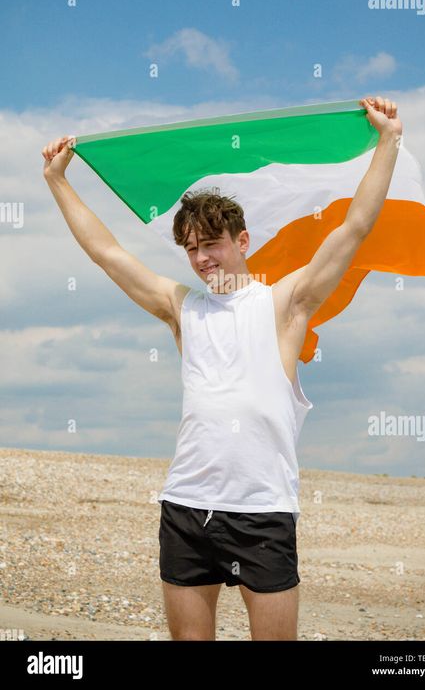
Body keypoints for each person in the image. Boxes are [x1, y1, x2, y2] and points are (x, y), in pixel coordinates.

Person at [42, 96, 401, 640]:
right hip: (186, 508)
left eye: (211, 244)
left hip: (262, 513)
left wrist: (388, 141)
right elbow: (108, 254)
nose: (202, 257)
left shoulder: (286, 305)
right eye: (191, 248)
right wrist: (58, 181)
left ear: (242, 241)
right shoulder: (182, 307)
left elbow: (353, 229)